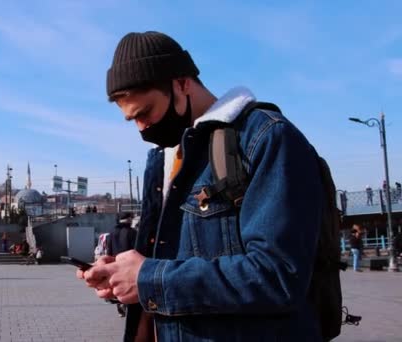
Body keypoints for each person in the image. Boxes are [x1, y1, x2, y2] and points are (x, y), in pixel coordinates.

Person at [77, 31, 326, 341]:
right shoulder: (163, 159)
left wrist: (149, 278)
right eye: (132, 120)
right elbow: (167, 265)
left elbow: (278, 275)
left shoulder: (265, 138)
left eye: (145, 112)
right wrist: (121, 278)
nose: (142, 128)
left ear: (182, 83)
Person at [105, 213, 137, 317]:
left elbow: (108, 250)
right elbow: (136, 249)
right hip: (128, 263)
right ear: (128, 220)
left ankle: (119, 306)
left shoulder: (111, 233)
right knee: (128, 285)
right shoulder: (132, 232)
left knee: (117, 284)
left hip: (114, 263)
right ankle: (127, 305)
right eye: (131, 219)